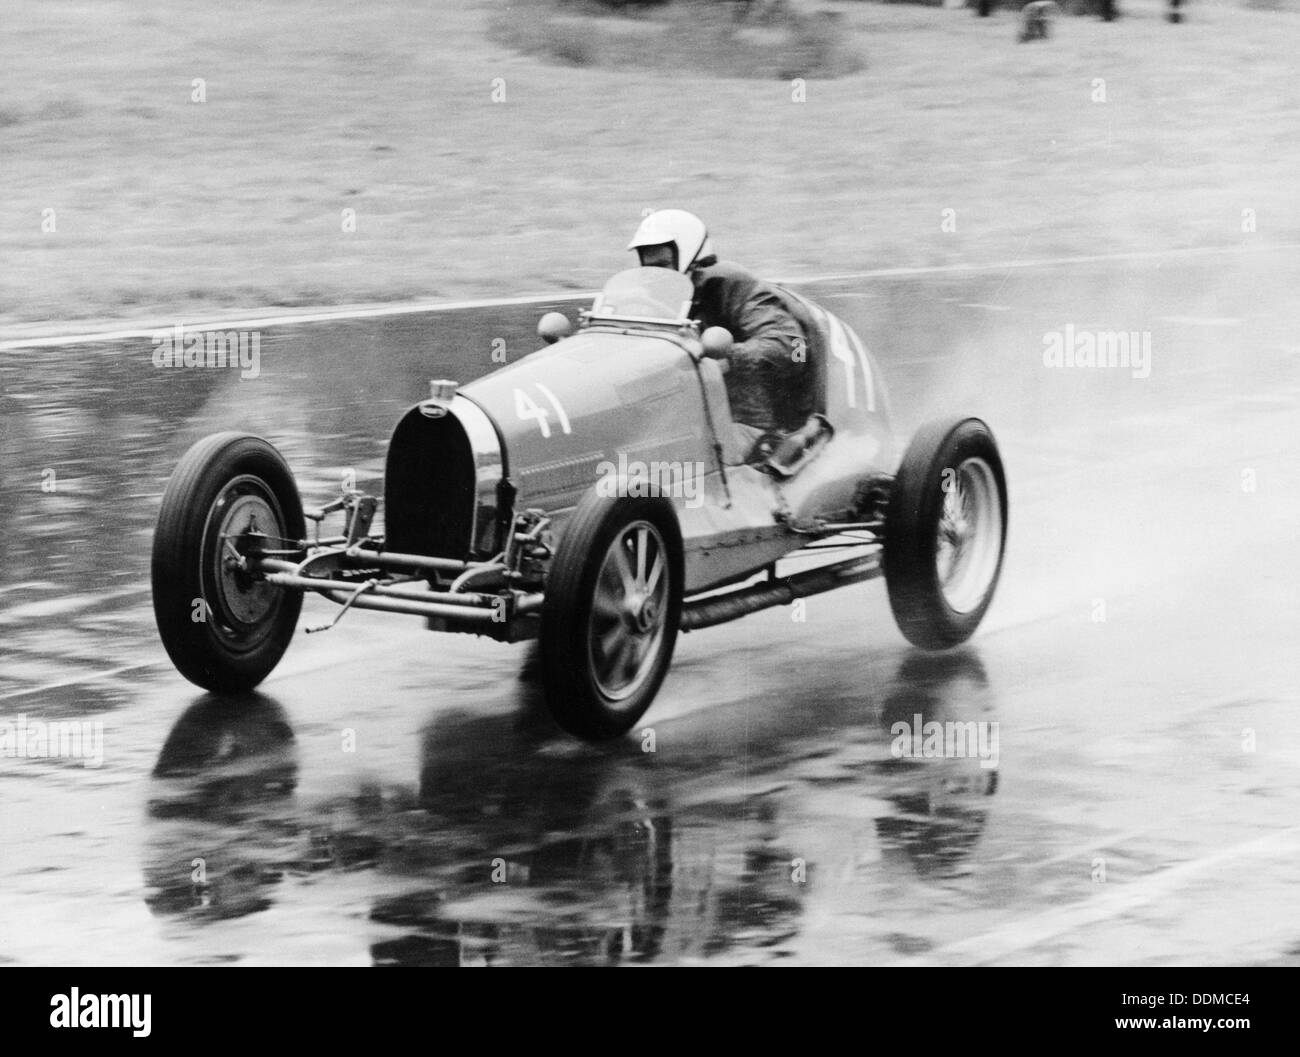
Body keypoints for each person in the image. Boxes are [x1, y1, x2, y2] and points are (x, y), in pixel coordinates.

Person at [627, 210, 815, 456]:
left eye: (663, 266)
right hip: (695, 414)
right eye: (649, 267)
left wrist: (728, 358)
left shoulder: (731, 285)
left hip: (755, 419)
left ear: (688, 260)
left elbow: (795, 348)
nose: (655, 276)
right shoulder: (655, 297)